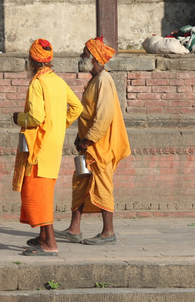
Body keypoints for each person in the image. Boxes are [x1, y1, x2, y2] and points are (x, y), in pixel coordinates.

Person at [55, 36, 131, 246]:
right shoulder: (94, 80)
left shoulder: (104, 81)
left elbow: (104, 116)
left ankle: (108, 232)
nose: (81, 57)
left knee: (102, 185)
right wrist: (80, 137)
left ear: (95, 58)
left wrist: (88, 139)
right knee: (81, 183)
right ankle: (74, 229)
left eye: (85, 53)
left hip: (100, 146)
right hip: (87, 145)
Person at [12, 39, 83, 256]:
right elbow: (77, 107)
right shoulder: (58, 81)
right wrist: (58, 126)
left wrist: (18, 118)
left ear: (32, 62)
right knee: (43, 190)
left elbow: (35, 117)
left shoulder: (37, 83)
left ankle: (50, 244)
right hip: (52, 145)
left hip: (39, 148)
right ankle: (43, 236)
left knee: (38, 193)